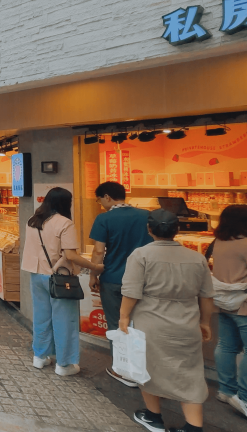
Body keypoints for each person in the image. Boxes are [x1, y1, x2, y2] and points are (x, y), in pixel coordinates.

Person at [121, 209, 214, 432]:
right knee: (190, 373)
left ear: (149, 229)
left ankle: (153, 417)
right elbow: (207, 296)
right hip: (187, 322)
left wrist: (123, 317)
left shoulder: (141, 255)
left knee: (148, 368)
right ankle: (193, 427)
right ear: (177, 230)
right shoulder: (197, 258)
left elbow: (131, 292)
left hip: (151, 322)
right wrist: (205, 322)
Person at [20, 187, 103, 376]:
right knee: (65, 320)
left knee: (41, 317)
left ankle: (40, 357)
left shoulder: (33, 220)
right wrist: (94, 267)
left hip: (36, 274)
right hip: (58, 278)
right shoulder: (65, 223)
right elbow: (71, 255)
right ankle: (64, 364)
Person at [88, 181, 153, 388]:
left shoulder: (104, 219)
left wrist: (93, 275)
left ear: (107, 197)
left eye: (100, 200)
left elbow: (99, 251)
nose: (100, 205)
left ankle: (123, 369)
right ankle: (144, 368)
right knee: (141, 325)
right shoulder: (146, 216)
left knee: (117, 324)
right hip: (144, 281)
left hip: (114, 279)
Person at [210, 204, 247, 417]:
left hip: (223, 302)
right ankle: (244, 397)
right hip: (243, 304)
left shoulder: (219, 242)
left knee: (225, 345)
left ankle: (225, 390)